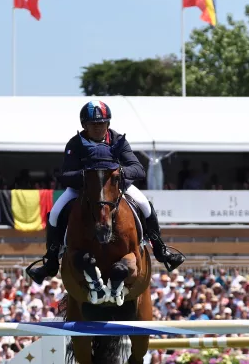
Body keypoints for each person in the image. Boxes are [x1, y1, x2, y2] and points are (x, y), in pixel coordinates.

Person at [27, 100, 184, 284]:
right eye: (93, 124)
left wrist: (118, 175)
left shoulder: (118, 140)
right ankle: (51, 261)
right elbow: (66, 174)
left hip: (115, 187)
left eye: (101, 123)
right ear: (84, 125)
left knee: (145, 205)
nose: (98, 128)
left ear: (108, 123)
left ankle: (161, 250)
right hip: (83, 189)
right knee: (54, 213)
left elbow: (138, 168)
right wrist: (89, 177)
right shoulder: (75, 143)